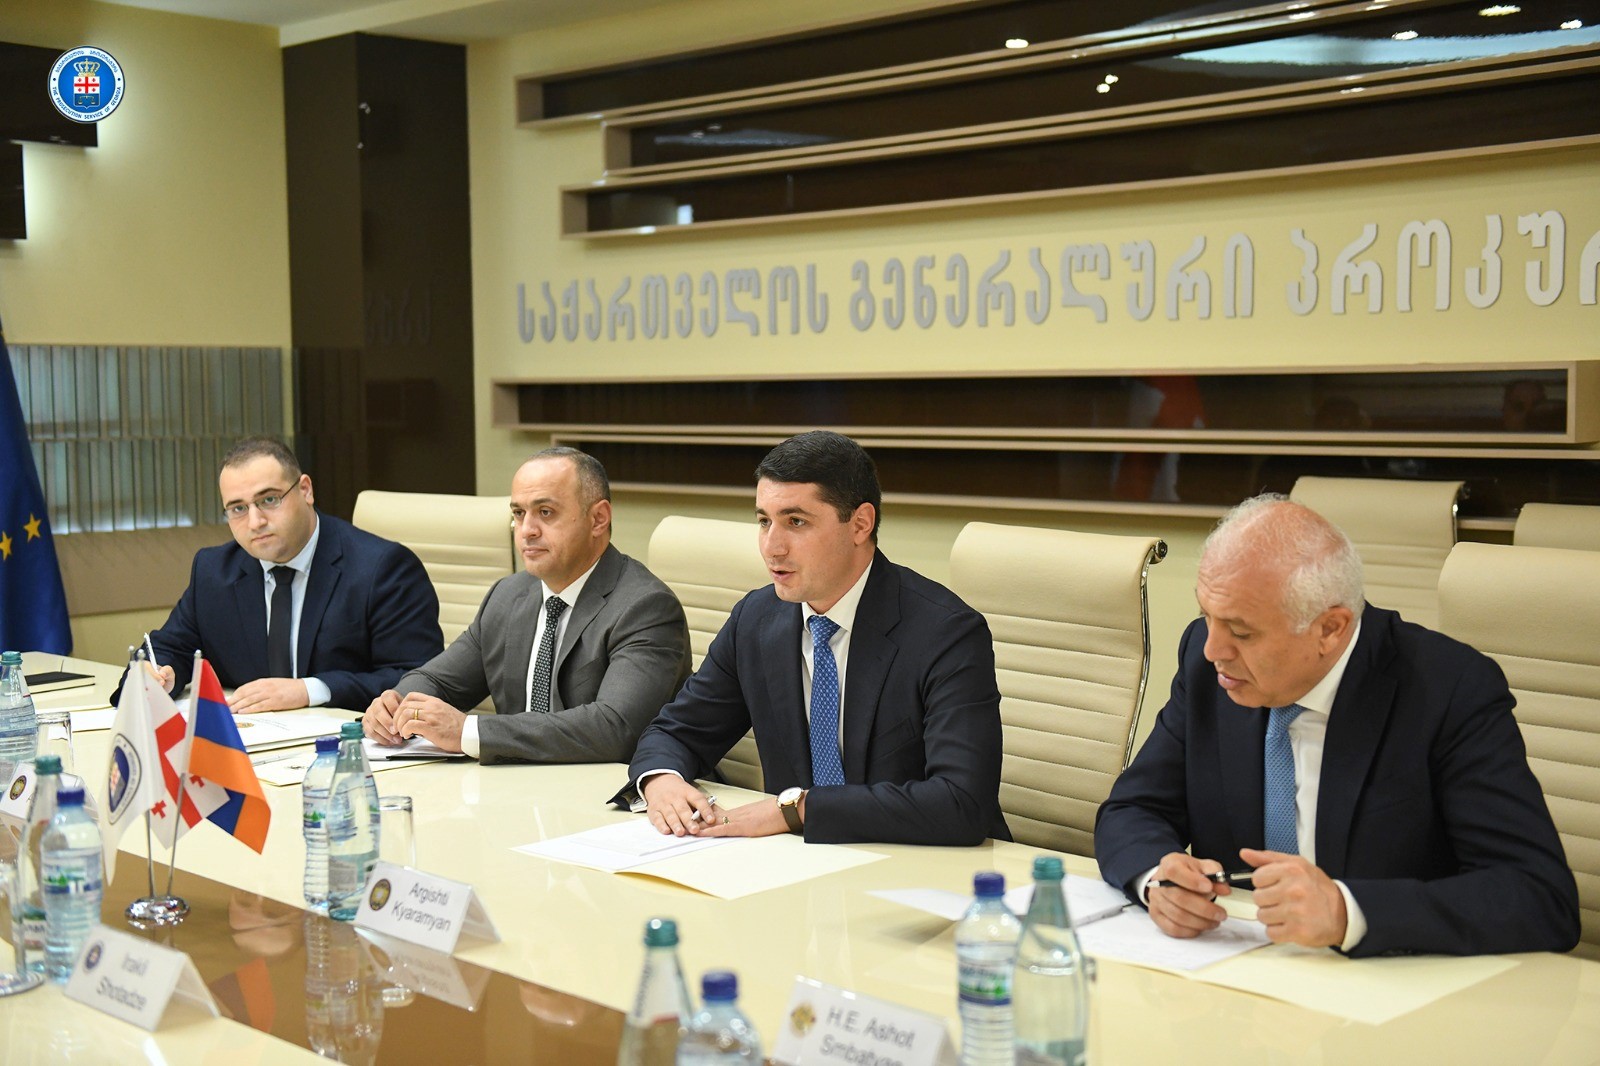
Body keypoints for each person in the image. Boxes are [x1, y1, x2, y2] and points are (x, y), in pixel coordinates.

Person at [1095, 494, 1578, 957]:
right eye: (1207, 615)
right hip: (1235, 968)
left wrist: (1347, 912)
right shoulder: (1211, 668)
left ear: (1330, 629)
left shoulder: (1448, 690)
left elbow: (1538, 894)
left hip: (1392, 984)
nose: (1213, 649)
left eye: (1241, 632)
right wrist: (1158, 880)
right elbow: (1132, 809)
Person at [627, 430, 1008, 846]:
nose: (772, 548)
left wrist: (797, 809)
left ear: (860, 524)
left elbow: (961, 803)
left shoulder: (946, 632)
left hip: (921, 862)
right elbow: (676, 732)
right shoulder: (756, 619)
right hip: (796, 862)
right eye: (764, 521)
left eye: (796, 522)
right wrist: (661, 780)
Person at [363, 448, 691, 764]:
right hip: (518, 786)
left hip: (612, 790)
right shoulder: (507, 595)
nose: (527, 531)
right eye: (519, 514)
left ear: (598, 519)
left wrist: (469, 731)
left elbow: (615, 728)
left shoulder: (646, 607)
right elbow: (438, 681)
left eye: (545, 512)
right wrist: (397, 707)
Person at [121, 437, 442, 711]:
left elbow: (419, 679)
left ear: (305, 490)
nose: (255, 522)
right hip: (253, 744)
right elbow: (169, 648)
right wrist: (155, 674)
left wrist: (310, 690)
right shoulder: (214, 571)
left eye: (269, 500)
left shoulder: (382, 568)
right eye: (238, 508)